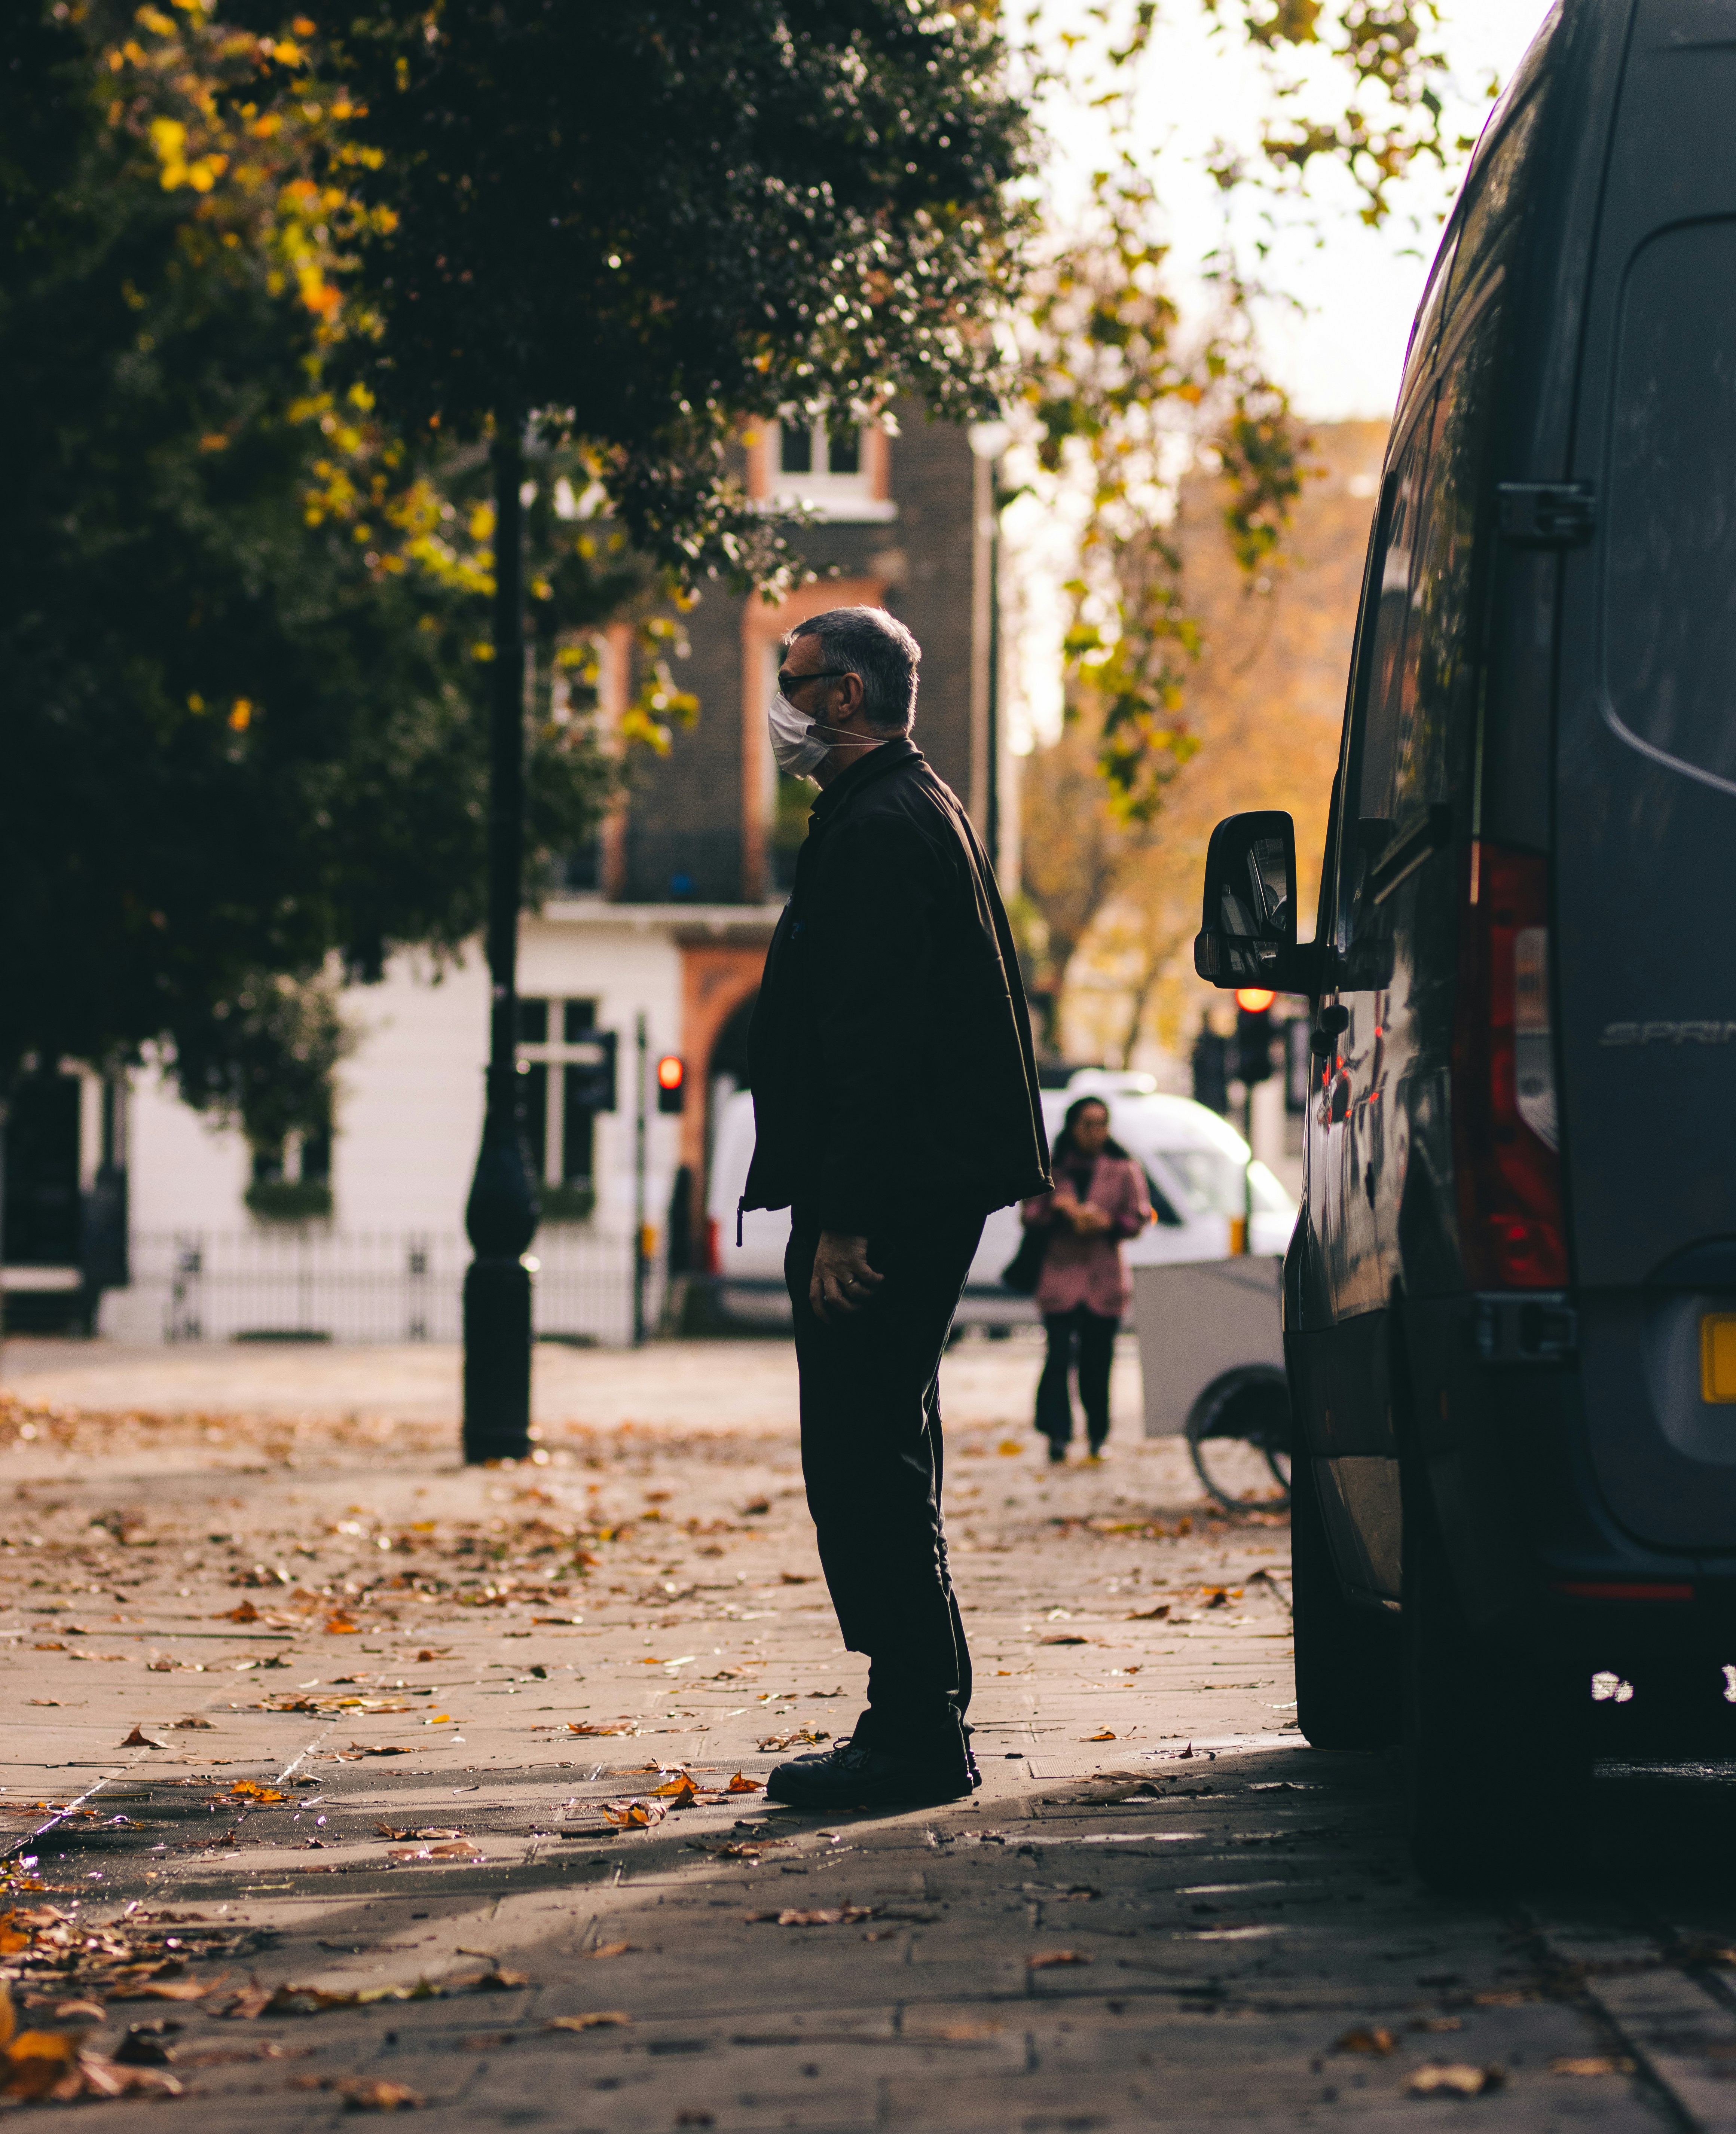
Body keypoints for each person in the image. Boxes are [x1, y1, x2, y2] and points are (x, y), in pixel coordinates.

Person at [740, 604, 1051, 1808]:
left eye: (794, 678)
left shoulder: (878, 827)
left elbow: (874, 1041)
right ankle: (921, 1708)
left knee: (863, 1451)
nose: (781, 700)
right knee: (887, 1441)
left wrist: (847, 1217)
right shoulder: (915, 806)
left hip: (890, 1196)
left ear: (844, 697)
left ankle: (913, 1727)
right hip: (918, 1183)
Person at [1020, 1096, 1151, 1464]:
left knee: (1098, 1362)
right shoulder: (1051, 1170)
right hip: (1059, 1278)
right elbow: (1029, 1214)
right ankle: (1057, 1434)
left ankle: (1097, 1433)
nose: (1095, 1132)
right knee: (1058, 1357)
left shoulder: (1123, 1168)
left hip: (1104, 1280)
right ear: (1071, 1127)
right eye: (1087, 1124)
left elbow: (1139, 1216)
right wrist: (1058, 1213)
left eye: (1101, 1124)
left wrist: (1109, 1223)